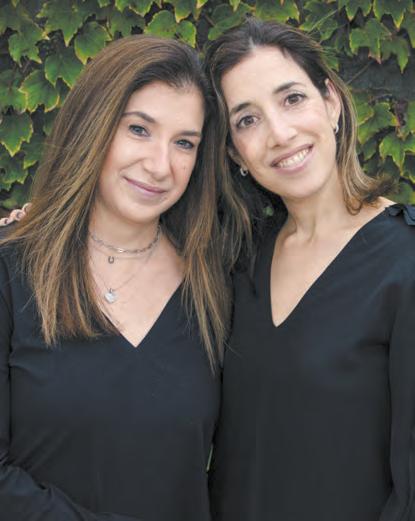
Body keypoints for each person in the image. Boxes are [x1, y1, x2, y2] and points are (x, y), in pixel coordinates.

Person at [0, 35, 230, 521]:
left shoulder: (218, 281)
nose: (160, 165)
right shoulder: (11, 269)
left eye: (184, 143)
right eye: (139, 129)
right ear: (94, 125)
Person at [205, 17, 415, 521]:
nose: (280, 133)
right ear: (234, 151)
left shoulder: (405, 261)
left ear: (331, 102)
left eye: (292, 98)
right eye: (247, 120)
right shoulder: (238, 258)